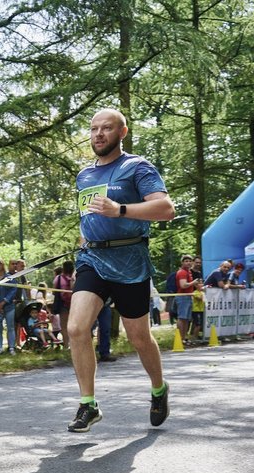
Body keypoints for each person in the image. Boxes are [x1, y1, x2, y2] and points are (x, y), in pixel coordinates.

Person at [67, 107, 175, 433]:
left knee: (139, 337)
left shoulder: (136, 167)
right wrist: (85, 240)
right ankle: (88, 404)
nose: (99, 134)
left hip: (130, 261)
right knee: (75, 328)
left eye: (107, 128)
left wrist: (121, 210)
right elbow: (88, 217)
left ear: (122, 133)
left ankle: (159, 389)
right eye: (94, 128)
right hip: (93, 260)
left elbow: (167, 209)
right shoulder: (84, 175)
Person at [0, 258, 16, 354]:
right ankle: (0, 348)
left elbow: (13, 290)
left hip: (9, 306)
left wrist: (4, 302)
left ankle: (11, 348)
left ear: (3, 265)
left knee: (10, 327)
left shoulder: (10, 278)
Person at [174, 255, 198, 344]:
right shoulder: (182, 272)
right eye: (186, 261)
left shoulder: (189, 272)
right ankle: (179, 339)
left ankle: (183, 338)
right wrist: (193, 282)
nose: (188, 262)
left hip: (188, 296)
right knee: (182, 318)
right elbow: (183, 285)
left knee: (186, 319)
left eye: (189, 261)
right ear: (182, 262)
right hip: (182, 297)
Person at [52, 260, 75, 348]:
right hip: (75, 304)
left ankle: (66, 346)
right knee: (74, 325)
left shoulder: (58, 278)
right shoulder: (76, 277)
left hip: (63, 305)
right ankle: (74, 344)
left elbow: (54, 292)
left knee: (64, 326)